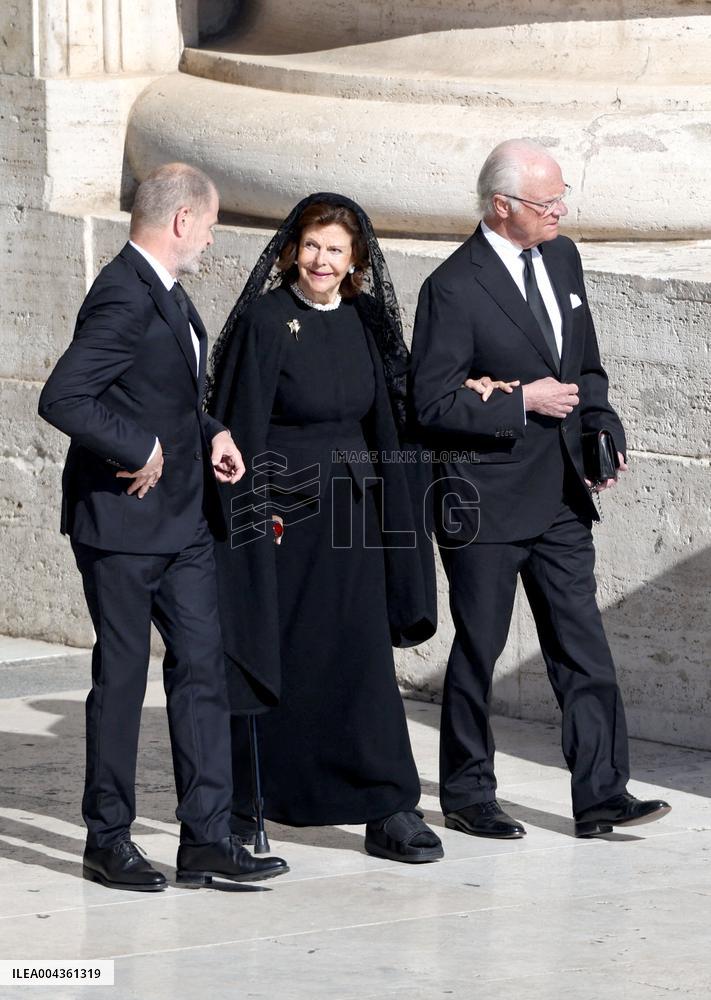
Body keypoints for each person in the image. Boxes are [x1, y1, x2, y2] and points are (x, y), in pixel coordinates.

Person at [410, 139, 671, 839]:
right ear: (501, 207)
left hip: (558, 495)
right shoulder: (453, 286)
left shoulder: (561, 257)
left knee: (581, 646)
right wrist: (519, 401)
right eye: (545, 201)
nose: (559, 210)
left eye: (560, 198)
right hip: (483, 497)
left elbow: (584, 367)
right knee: (479, 648)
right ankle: (467, 794)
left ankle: (601, 794)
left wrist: (599, 422)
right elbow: (429, 403)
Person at [38, 162, 288, 890]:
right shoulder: (121, 294)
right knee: (120, 680)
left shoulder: (167, 294)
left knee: (202, 669)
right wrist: (138, 447)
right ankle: (106, 839)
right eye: (209, 228)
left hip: (182, 522)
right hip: (118, 526)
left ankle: (206, 837)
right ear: (181, 221)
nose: (210, 242)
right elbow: (64, 397)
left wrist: (208, 430)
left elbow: (163, 394)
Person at [205, 193, 445, 863]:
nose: (320, 260)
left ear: (355, 261)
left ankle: (385, 805)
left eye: (334, 250)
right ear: (290, 249)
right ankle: (245, 803)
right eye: (311, 245)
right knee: (277, 658)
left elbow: (388, 420)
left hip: (353, 520)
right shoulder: (264, 318)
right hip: (282, 518)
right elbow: (239, 422)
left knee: (360, 660)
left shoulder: (366, 319)